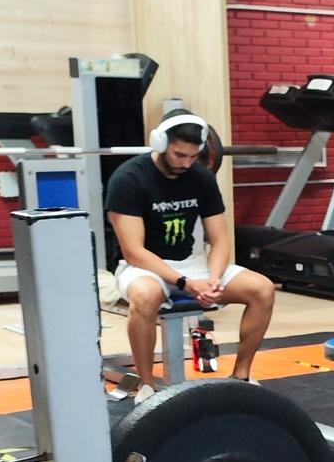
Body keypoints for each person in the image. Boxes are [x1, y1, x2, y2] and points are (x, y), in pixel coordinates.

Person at [105, 113, 276, 403]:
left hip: (193, 263)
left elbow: (221, 240)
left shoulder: (201, 177)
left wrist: (211, 278)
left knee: (262, 289)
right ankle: (146, 385)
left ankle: (241, 376)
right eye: (179, 154)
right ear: (160, 144)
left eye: (192, 156)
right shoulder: (128, 178)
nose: (185, 163)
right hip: (143, 266)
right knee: (146, 296)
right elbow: (134, 251)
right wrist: (186, 283)